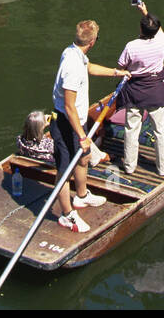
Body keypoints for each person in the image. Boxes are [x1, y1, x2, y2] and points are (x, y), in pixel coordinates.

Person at [51, 20, 126, 233]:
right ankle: (67, 216)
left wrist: (116, 72)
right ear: (92, 42)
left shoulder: (75, 53)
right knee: (64, 172)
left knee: (83, 158)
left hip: (77, 122)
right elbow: (69, 105)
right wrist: (82, 135)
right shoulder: (72, 66)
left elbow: (89, 67)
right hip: (66, 123)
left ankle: (82, 197)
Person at [117, 0, 164, 178]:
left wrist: (143, 13)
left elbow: (121, 65)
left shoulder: (131, 46)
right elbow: (159, 31)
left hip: (135, 91)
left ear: (141, 30)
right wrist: (145, 12)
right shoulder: (161, 41)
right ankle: (163, 167)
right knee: (160, 130)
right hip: (155, 90)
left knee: (132, 129)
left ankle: (130, 165)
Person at [17, 109, 110, 168]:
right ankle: (100, 154)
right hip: (60, 162)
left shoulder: (21, 141)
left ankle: (97, 143)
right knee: (81, 138)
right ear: (40, 128)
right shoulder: (47, 144)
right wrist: (53, 121)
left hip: (41, 159)